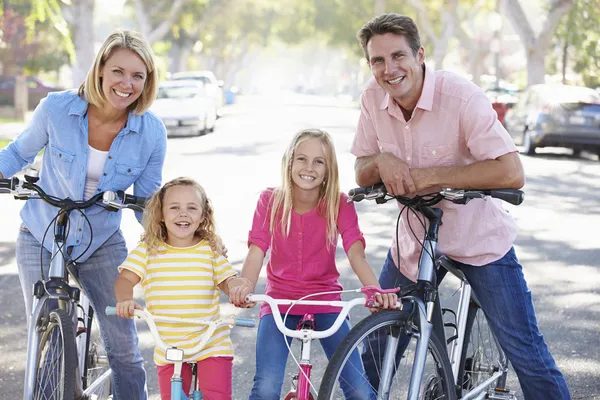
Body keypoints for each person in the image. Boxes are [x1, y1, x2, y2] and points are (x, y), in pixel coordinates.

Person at [351, 13, 571, 400]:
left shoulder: (461, 97)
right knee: (374, 354)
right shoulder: (372, 96)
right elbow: (361, 169)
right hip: (416, 241)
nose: (389, 69)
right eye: (378, 61)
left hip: (477, 238)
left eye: (398, 56)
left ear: (419, 55)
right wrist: (381, 163)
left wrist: (433, 177)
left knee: (526, 352)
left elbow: (511, 171)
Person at [0, 29, 166, 399]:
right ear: (101, 70)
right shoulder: (56, 108)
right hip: (42, 232)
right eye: (119, 72)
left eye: (138, 76)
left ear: (147, 81)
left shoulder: (151, 132)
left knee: (123, 348)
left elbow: (148, 198)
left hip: (101, 240)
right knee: (45, 340)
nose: (127, 84)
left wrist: (168, 239)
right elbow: (16, 154)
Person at [228, 128, 398, 400]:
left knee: (359, 390)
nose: (309, 168)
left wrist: (373, 290)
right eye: (302, 159)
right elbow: (257, 249)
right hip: (280, 303)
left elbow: (356, 253)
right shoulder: (270, 200)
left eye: (318, 161)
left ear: (328, 169)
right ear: (289, 162)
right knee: (267, 388)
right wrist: (245, 284)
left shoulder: (338, 203)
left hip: (325, 301)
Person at [115, 177, 249, 400]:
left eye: (192, 208)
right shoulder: (148, 250)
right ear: (160, 215)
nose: (183, 214)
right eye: (174, 207)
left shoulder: (209, 249)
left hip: (210, 342)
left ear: (203, 215)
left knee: (217, 396)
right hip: (168, 344)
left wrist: (237, 289)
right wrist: (125, 300)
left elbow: (227, 280)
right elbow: (124, 280)